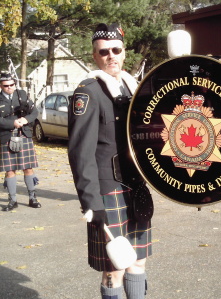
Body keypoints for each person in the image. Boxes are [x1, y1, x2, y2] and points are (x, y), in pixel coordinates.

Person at [68, 23, 152, 299]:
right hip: (108, 190)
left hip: (136, 186)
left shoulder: (133, 88)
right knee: (115, 268)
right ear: (95, 56)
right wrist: (91, 202)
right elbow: (80, 153)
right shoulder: (88, 92)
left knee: (138, 261)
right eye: (104, 52)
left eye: (116, 50)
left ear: (124, 52)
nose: (111, 56)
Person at [0, 73, 41, 211]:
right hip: (7, 136)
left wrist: (26, 120)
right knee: (10, 170)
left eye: (12, 85)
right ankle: (12, 200)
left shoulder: (22, 95)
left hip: (23, 135)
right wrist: (12, 123)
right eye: (6, 86)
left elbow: (34, 112)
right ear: (1, 86)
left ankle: (32, 198)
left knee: (28, 167)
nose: (9, 88)